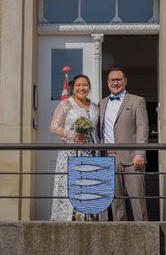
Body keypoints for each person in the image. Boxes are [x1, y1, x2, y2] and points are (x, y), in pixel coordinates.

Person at [100, 67, 149, 221]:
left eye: (119, 79)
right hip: (109, 158)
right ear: (107, 83)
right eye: (112, 80)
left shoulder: (137, 101)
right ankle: (120, 236)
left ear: (125, 81)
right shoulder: (102, 103)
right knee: (116, 203)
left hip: (133, 159)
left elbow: (142, 127)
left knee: (137, 200)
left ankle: (144, 234)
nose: (115, 83)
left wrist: (140, 153)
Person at [50, 74, 99, 221]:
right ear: (73, 87)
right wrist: (73, 136)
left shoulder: (95, 107)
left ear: (89, 88)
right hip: (70, 153)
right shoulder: (66, 104)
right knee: (72, 184)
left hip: (91, 154)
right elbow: (54, 127)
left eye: (85, 85)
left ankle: (89, 217)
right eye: (78, 85)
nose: (81, 88)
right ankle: (69, 218)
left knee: (89, 186)